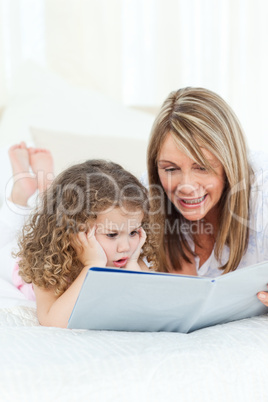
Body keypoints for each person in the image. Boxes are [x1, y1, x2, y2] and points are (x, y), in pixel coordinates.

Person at [6, 142, 153, 328]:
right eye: (112, 234)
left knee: (55, 206)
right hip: (16, 260)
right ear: (75, 232)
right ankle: (20, 192)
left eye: (133, 232)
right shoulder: (47, 263)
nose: (125, 246)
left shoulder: (127, 257)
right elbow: (53, 321)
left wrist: (132, 264)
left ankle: (47, 188)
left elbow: (148, 304)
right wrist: (92, 266)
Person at [147, 86, 268, 306]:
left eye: (202, 168)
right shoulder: (141, 206)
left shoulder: (262, 196)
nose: (186, 187)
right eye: (171, 169)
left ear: (230, 164)